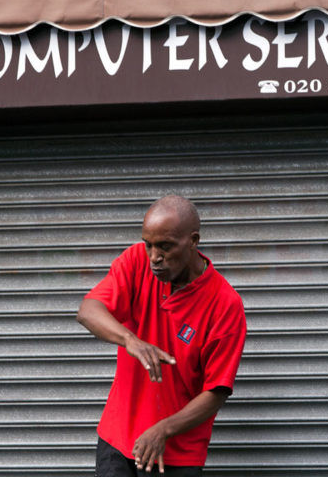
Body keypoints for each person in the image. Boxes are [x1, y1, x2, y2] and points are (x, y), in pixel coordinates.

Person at [77, 195, 247, 476]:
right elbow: (88, 310)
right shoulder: (136, 262)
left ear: (193, 241)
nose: (154, 257)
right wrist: (131, 341)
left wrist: (163, 429)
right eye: (148, 244)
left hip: (177, 455)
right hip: (117, 440)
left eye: (165, 247)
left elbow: (216, 391)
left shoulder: (224, 304)